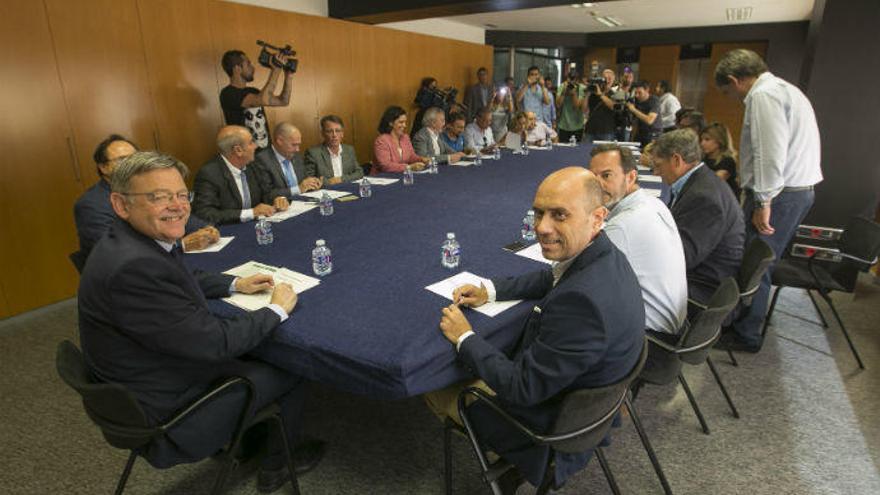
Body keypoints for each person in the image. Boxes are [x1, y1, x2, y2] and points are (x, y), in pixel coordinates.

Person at [78, 151, 325, 493]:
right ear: (120, 205)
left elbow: (181, 277)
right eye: (158, 197)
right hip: (170, 413)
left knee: (257, 348)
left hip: (150, 376)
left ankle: (246, 442)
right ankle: (277, 464)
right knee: (293, 364)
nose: (177, 206)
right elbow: (215, 343)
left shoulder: (130, 243)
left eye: (182, 195)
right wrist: (276, 309)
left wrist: (234, 283)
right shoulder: (132, 268)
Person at [424, 167, 644, 493]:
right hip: (586, 408)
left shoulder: (583, 304)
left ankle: (509, 461)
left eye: (559, 215)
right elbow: (552, 276)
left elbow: (521, 388)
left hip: (544, 430)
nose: (542, 227)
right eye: (538, 212)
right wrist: (492, 290)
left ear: (597, 218)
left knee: (432, 381)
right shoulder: (604, 255)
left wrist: (465, 337)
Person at [713, 49, 822, 353]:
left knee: (754, 264)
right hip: (794, 192)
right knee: (759, 260)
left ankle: (747, 333)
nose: (733, 99)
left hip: (780, 195)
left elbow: (768, 154)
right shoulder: (787, 90)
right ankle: (746, 321)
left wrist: (763, 201)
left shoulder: (763, 96)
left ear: (736, 80)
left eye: (728, 91)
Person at [589, 143, 687, 335]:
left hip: (649, 338)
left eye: (606, 175)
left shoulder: (622, 225)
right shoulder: (654, 202)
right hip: (672, 323)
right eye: (593, 177)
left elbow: (582, 278)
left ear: (631, 177)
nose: (597, 185)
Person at [74, 135, 218, 258]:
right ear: (103, 167)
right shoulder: (91, 204)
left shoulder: (144, 187)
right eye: (122, 159)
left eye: (134, 157)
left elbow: (176, 212)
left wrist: (206, 229)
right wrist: (183, 244)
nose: (131, 164)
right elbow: (113, 251)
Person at [652, 129, 745, 306]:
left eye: (658, 165)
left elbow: (682, 259)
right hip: (703, 273)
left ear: (676, 160)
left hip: (703, 287)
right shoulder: (700, 180)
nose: (656, 173)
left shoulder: (703, 198)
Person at [192, 126, 289, 224]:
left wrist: (278, 199)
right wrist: (251, 213)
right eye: (251, 142)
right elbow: (205, 214)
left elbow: (266, 192)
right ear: (238, 150)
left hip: (257, 225)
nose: (256, 146)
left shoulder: (252, 165)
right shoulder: (209, 174)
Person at [219, 49, 294, 149]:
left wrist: (289, 76)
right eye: (248, 64)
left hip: (266, 151)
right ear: (237, 68)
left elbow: (283, 101)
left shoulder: (253, 91)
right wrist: (276, 69)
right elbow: (263, 100)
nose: (253, 68)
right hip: (246, 153)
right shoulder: (228, 94)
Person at [254, 122, 323, 199]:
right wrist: (298, 189)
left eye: (298, 145)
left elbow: (304, 180)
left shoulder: (296, 156)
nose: (298, 149)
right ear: (279, 141)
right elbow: (267, 194)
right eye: (294, 145)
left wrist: (312, 184)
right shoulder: (262, 160)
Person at [304, 115, 364, 184]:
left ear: (342, 134)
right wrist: (329, 182)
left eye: (338, 131)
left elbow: (359, 172)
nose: (334, 135)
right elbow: (309, 181)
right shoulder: (313, 153)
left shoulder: (349, 150)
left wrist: (341, 179)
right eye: (329, 131)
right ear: (323, 134)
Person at [373, 105, 428, 174]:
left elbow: (411, 157)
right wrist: (409, 167)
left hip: (402, 176)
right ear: (391, 123)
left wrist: (422, 159)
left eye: (405, 122)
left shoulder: (405, 138)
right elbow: (386, 166)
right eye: (401, 122)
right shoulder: (381, 141)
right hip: (384, 178)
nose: (404, 125)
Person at [700, 122, 740, 198]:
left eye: (707, 139)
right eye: (701, 140)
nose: (702, 143)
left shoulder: (727, 161)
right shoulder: (703, 160)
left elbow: (713, 182)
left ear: (719, 141)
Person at [584, 69, 617, 142]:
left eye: (609, 78)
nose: (607, 81)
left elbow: (613, 106)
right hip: (590, 129)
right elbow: (584, 110)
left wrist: (600, 94)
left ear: (613, 80)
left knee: (604, 153)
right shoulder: (594, 92)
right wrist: (587, 94)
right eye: (605, 78)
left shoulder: (614, 94)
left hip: (605, 131)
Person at [626, 80, 661, 147]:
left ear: (647, 90)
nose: (637, 95)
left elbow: (649, 120)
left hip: (653, 134)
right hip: (640, 133)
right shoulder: (635, 101)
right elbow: (635, 121)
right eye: (635, 93)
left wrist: (633, 110)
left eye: (640, 93)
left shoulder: (654, 100)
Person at [556, 68, 587, 143]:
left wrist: (573, 93)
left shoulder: (582, 88)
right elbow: (558, 104)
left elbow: (576, 106)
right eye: (571, 78)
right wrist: (564, 92)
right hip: (563, 125)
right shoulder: (562, 86)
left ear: (578, 80)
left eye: (575, 79)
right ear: (567, 78)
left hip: (577, 126)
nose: (573, 81)